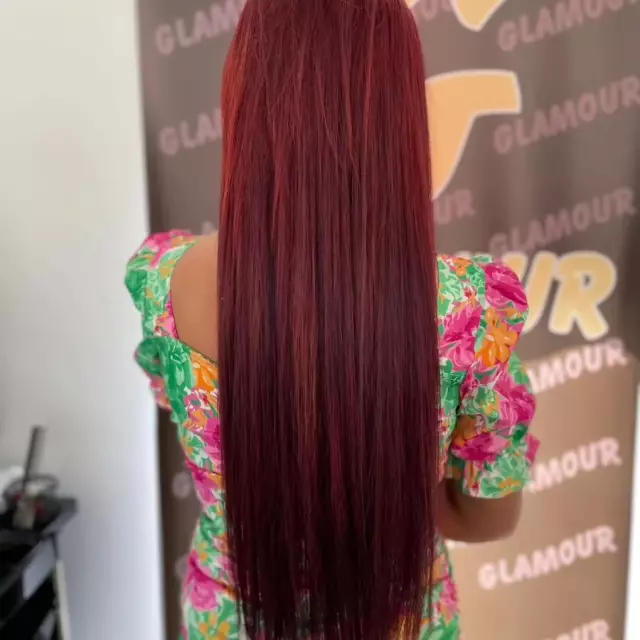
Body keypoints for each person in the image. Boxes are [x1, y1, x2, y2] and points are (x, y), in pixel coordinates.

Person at [125, 0, 539, 637]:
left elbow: (180, 409)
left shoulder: (164, 282)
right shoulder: (470, 310)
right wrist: (387, 480)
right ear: (399, 112)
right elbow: (489, 517)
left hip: (232, 620)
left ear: (245, 97)